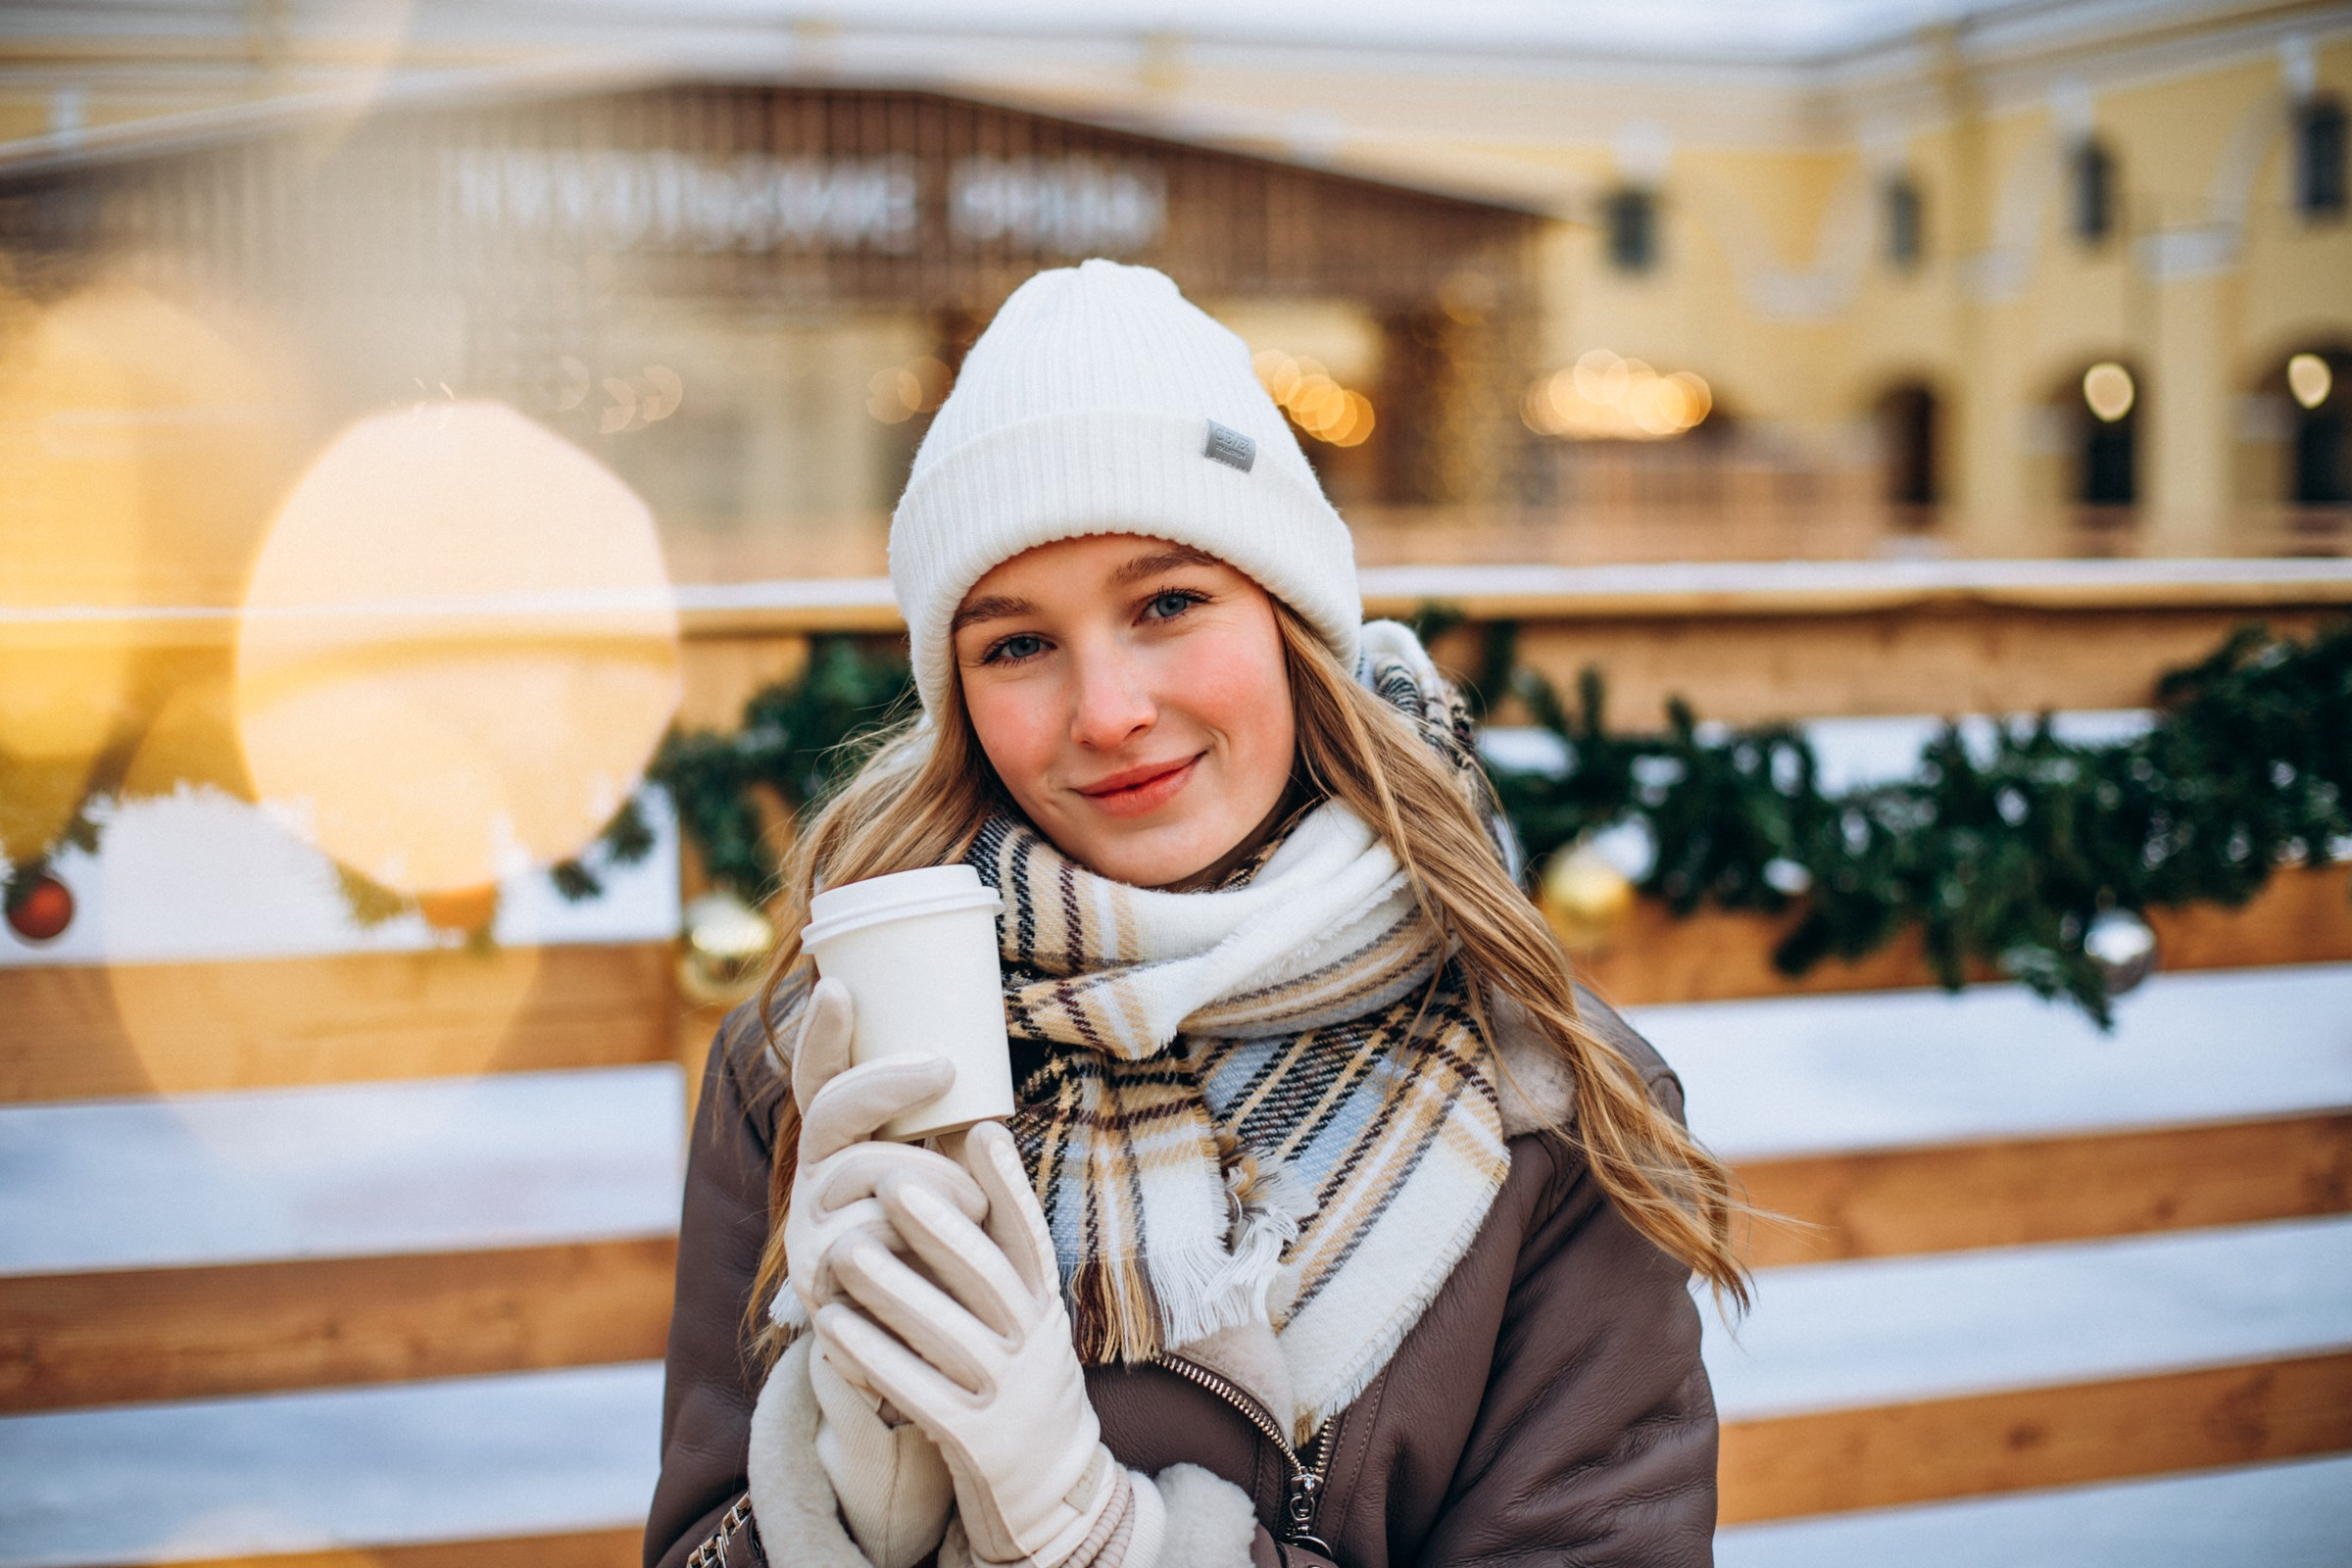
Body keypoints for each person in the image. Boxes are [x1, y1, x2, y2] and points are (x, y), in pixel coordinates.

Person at [646, 260, 1744, 1568]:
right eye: (1016, 644)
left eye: (1167, 604)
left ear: (1288, 622)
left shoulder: (1541, 1098)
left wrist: (1097, 1538)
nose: (1107, 711)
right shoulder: (814, 1058)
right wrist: (845, 1490)